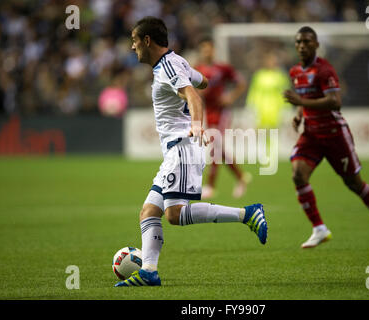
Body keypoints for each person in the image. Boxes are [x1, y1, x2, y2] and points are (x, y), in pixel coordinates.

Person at [115, 17, 268, 287]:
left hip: (183, 148)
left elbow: (194, 95)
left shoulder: (168, 67)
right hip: (175, 151)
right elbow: (204, 82)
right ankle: (149, 271)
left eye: (135, 40)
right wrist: (189, 83)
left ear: (147, 41)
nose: (132, 46)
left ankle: (248, 214)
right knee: (149, 211)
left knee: (174, 215)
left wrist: (196, 125)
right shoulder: (178, 62)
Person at [283, 26, 369, 249]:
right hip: (312, 135)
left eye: (307, 42)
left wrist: (301, 104)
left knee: (354, 184)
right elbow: (304, 97)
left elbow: (335, 101)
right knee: (298, 175)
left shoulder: (325, 70)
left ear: (316, 45)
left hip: (335, 135)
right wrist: (299, 115)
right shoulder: (296, 71)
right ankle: (319, 228)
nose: (302, 46)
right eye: (299, 42)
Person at [194, 37, 251, 199]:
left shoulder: (222, 68)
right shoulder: (197, 69)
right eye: (204, 49)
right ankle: (241, 178)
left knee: (215, 146)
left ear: (213, 50)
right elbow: (190, 89)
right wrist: (198, 92)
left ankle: (211, 186)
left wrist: (231, 96)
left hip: (222, 112)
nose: (207, 52)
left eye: (209, 48)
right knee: (217, 148)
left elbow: (241, 83)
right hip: (207, 111)